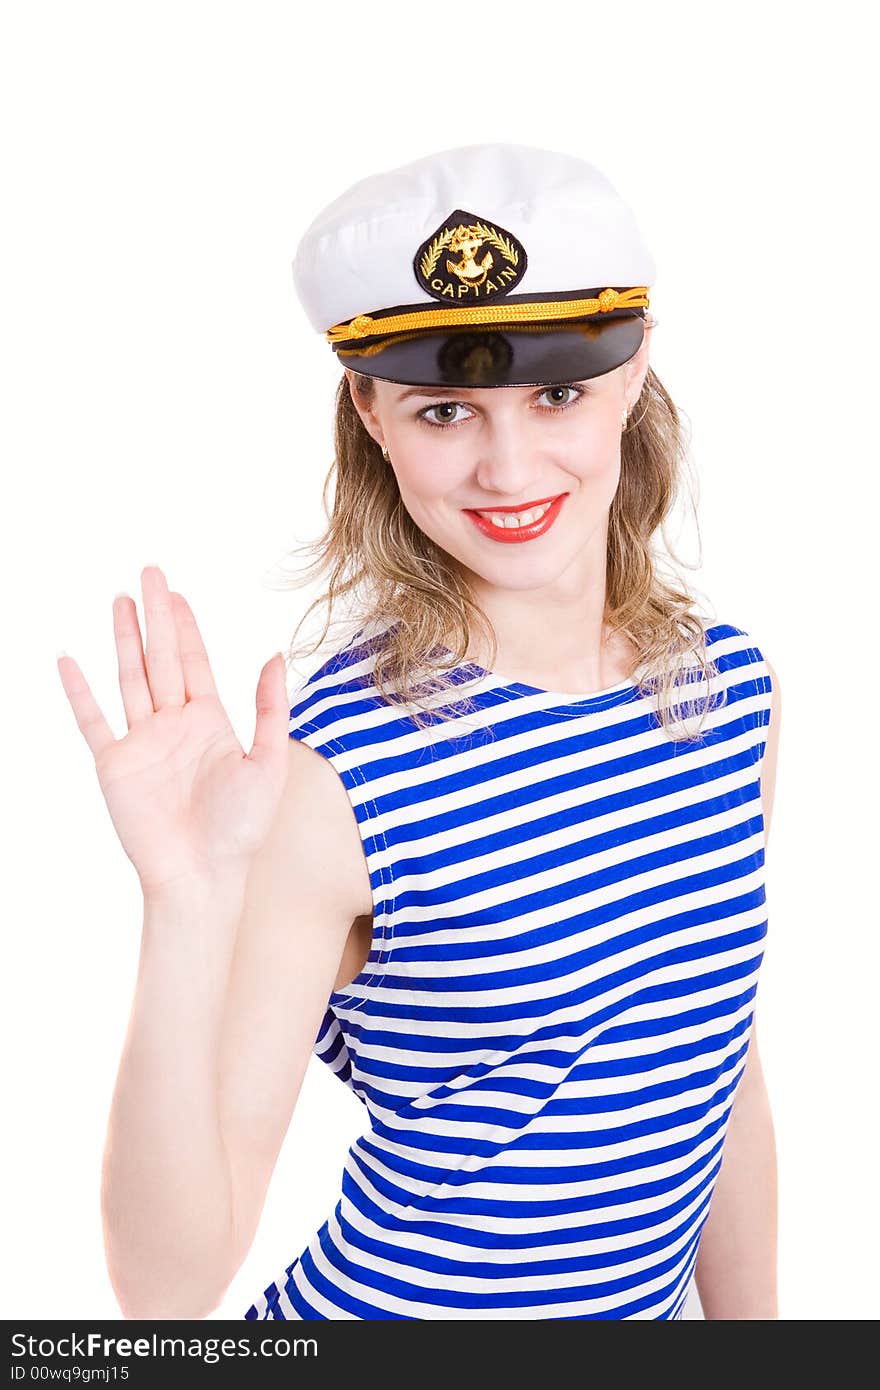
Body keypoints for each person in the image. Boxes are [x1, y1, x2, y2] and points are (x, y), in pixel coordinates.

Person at [57, 142, 780, 1321]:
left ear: (636, 366)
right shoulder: (331, 774)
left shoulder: (728, 691)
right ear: (371, 414)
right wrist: (185, 906)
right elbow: (164, 1290)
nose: (507, 467)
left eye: (556, 393)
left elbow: (714, 1070)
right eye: (445, 409)